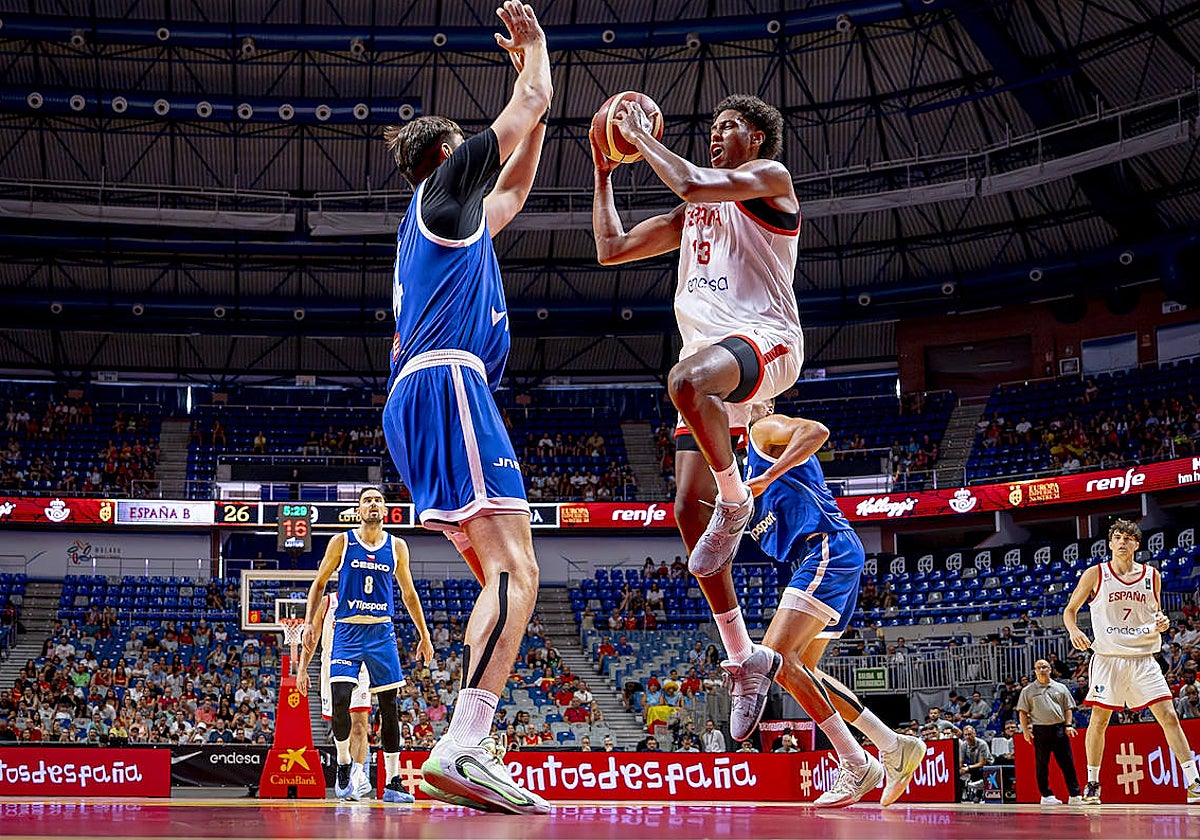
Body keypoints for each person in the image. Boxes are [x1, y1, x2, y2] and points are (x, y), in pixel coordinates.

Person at [378, 1, 552, 816]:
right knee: (521, 569)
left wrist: (538, 106)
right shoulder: (444, 188)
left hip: (420, 398)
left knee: (498, 572)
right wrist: (537, 59)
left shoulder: (455, 227)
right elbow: (524, 115)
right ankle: (463, 745)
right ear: (449, 157)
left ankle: (466, 742)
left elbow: (516, 183)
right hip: (449, 385)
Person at [591, 92, 803, 749]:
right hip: (713, 377)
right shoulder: (693, 216)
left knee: (683, 380)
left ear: (757, 141)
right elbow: (610, 248)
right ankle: (743, 660)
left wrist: (636, 134)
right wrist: (602, 170)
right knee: (686, 512)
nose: (716, 136)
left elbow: (688, 177)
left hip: (765, 345)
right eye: (711, 127)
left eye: (729, 126)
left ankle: (737, 501)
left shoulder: (771, 182)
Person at [737, 402, 925, 808]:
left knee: (776, 658)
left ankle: (857, 763)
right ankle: (892, 746)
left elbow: (817, 431)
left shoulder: (764, 430)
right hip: (820, 556)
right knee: (800, 671)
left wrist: (770, 475)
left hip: (826, 548)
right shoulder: (739, 477)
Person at [301, 487, 433, 804]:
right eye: (366, 500)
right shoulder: (342, 541)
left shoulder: (397, 546)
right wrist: (308, 622)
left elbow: (409, 594)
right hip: (347, 630)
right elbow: (319, 583)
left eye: (377, 500)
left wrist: (424, 634)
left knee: (390, 708)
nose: (372, 504)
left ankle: (394, 782)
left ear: (384, 510)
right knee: (342, 697)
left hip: (381, 633)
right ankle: (344, 765)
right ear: (358, 509)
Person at [1063, 518, 1200, 804]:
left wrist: (1162, 622)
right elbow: (1070, 610)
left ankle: (1193, 782)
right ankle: (1092, 784)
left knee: (1169, 716)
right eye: (1117, 537)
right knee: (1099, 721)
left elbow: (1155, 614)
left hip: (1143, 659)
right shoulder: (1096, 573)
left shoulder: (1152, 575)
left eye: (1128, 537)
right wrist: (1074, 630)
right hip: (1108, 658)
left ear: (1137, 544)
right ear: (1110, 543)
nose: (1122, 541)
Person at [296, 586, 376, 800]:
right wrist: (302, 669)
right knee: (341, 724)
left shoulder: (369, 601)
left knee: (359, 726)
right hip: (331, 668)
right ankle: (345, 766)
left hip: (361, 667)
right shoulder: (327, 602)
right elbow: (311, 639)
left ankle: (358, 777)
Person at [1016, 659, 1083, 805]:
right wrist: (1026, 731)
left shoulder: (1061, 687)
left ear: (1050, 669)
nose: (1041, 670)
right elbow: (1022, 712)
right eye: (1038, 667)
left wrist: (1068, 725)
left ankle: (1075, 795)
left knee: (1067, 763)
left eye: (1044, 667)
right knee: (1042, 764)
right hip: (1040, 730)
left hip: (1059, 728)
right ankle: (1046, 795)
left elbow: (1068, 708)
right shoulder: (1027, 691)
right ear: (1034, 671)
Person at [958, 725, 992, 802]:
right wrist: (961, 769)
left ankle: (978, 795)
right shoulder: (964, 745)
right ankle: (959, 796)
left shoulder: (982, 744)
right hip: (973, 764)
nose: (967, 737)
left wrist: (968, 768)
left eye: (969, 734)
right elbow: (961, 761)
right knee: (957, 772)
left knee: (979, 771)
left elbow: (982, 762)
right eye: (966, 735)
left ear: (974, 734)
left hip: (988, 765)